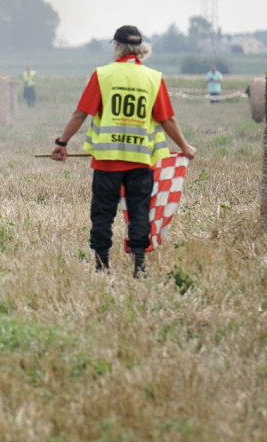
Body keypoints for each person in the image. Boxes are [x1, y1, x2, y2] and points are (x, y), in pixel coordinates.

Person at [51, 25, 197, 277]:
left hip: (107, 161)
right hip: (141, 161)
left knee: (102, 214)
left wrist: (62, 143)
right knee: (140, 211)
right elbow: (167, 120)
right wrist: (184, 147)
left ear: (116, 47)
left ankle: (101, 265)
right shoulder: (153, 78)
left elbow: (80, 113)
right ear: (141, 50)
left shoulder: (103, 75)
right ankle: (139, 265)